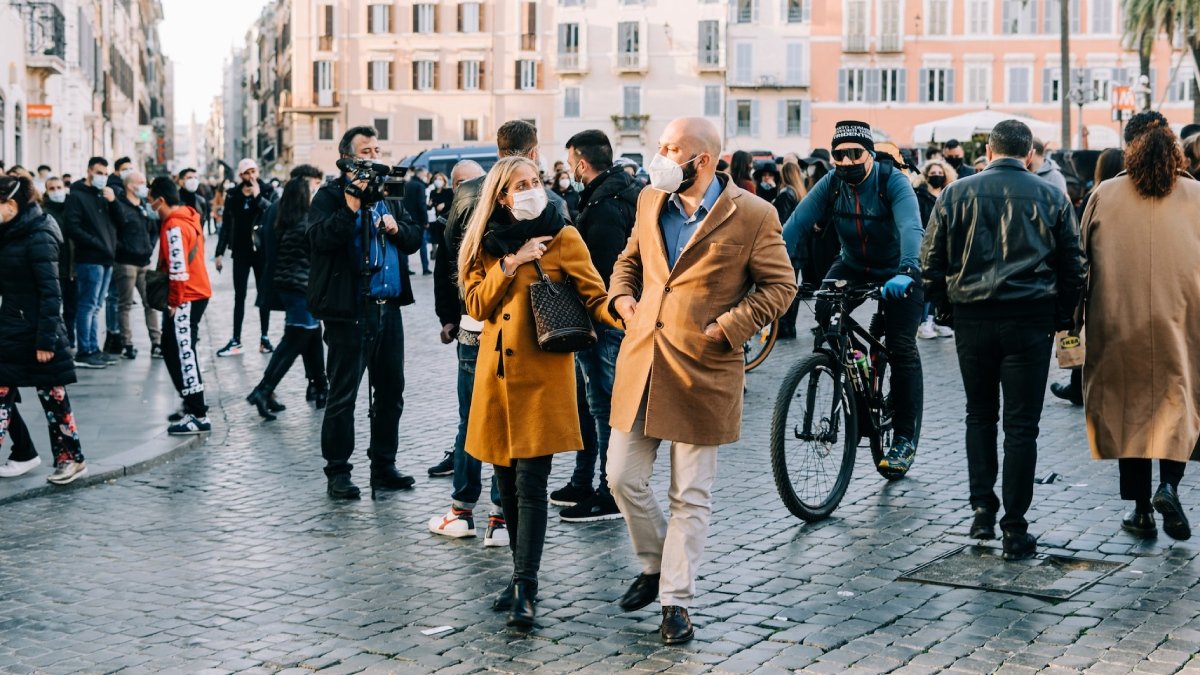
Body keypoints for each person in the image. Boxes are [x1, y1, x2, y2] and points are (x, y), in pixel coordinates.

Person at [607, 117, 796, 645]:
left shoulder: (754, 214)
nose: (660, 156)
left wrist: (727, 328)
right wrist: (622, 299)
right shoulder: (649, 200)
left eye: (671, 148)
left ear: (704, 160)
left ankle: (676, 600)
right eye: (660, 146)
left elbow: (781, 287)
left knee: (689, 494)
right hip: (643, 360)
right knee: (621, 477)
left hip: (704, 369)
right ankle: (654, 564)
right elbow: (629, 261)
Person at [458, 155, 619, 630]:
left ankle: (527, 587)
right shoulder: (483, 244)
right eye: (520, 185)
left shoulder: (564, 236)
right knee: (506, 486)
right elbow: (476, 305)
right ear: (502, 197)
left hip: (543, 380)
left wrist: (627, 313)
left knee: (531, 485)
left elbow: (594, 296)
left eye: (536, 181)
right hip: (495, 381)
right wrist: (512, 262)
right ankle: (515, 577)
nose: (532, 190)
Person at [921, 119, 1083, 561]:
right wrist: (1063, 316)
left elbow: (931, 260)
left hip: (973, 317)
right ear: (1028, 154)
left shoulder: (956, 193)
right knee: (1021, 426)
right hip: (1030, 320)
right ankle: (1015, 526)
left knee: (979, 414)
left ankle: (981, 509)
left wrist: (945, 307)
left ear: (989, 152)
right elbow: (1074, 265)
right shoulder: (1052, 194)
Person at [428, 122, 572, 542]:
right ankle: (497, 518)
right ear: (533, 151)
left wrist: (447, 315)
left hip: (478, 330)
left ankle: (462, 508)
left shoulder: (468, 194)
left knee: (475, 421)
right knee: (500, 425)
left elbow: (446, 258)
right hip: (520, 330)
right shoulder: (551, 203)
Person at [1078, 112, 1199, 541]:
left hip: (1117, 320)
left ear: (1129, 147)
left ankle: (1140, 511)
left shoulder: (1105, 194)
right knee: (1177, 402)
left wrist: (1072, 325)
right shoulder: (1196, 195)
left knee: (1128, 409)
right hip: (1182, 320)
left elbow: (1081, 262)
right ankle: (1169, 486)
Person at [782, 120, 926, 479]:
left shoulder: (893, 182)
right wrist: (772, 266)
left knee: (901, 345)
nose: (846, 162)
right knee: (826, 315)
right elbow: (796, 225)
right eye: (838, 155)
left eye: (854, 154)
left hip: (897, 269)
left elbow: (911, 227)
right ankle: (851, 362)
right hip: (852, 264)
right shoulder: (831, 184)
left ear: (871, 154)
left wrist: (908, 270)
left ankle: (904, 437)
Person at [308, 125, 423, 500]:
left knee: (391, 391)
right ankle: (338, 472)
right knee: (343, 395)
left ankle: (384, 465)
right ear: (346, 158)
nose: (373, 157)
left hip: (388, 307)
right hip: (349, 310)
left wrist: (395, 226)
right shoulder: (328, 195)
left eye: (376, 150)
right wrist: (351, 205)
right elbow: (319, 240)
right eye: (365, 151)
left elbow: (412, 237)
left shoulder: (390, 193)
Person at [552, 129, 642, 522]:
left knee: (601, 404)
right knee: (587, 403)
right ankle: (583, 479)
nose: (570, 169)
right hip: (604, 319)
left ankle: (608, 490)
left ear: (582, 164)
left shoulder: (606, 205)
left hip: (603, 319)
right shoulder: (622, 192)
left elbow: (602, 273)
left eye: (571, 162)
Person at [0, 176, 88, 484]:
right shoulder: (8, 231)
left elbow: (51, 293)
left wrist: (46, 341)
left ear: (11, 205)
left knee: (53, 396)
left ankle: (72, 460)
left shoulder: (39, 233)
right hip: (10, 328)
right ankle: (28, 453)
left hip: (39, 331)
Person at [247, 167, 327, 420]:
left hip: (290, 286)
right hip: (300, 287)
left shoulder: (285, 217)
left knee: (312, 332)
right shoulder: (304, 221)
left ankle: (319, 385)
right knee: (295, 338)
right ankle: (264, 389)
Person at [1050, 148, 1124, 406]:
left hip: (1096, 277)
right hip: (1122, 277)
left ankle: (1077, 384)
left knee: (1082, 329)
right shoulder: (1132, 198)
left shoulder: (1097, 197)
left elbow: (1079, 241)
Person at [148, 178, 215, 435]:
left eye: (150, 198)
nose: (149, 204)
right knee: (172, 347)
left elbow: (178, 268)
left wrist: (174, 301)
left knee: (183, 351)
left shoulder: (175, 225)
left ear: (160, 200)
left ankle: (197, 412)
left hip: (187, 296)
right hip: (193, 293)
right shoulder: (188, 217)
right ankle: (191, 402)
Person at [214, 158, 277, 356]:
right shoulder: (233, 195)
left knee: (263, 295)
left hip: (261, 252)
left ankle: (264, 338)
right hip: (240, 252)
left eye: (254, 172)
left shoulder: (267, 190)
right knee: (239, 296)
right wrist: (219, 252)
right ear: (241, 176)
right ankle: (236, 339)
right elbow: (226, 225)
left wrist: (258, 197)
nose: (251, 176)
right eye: (247, 173)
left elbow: (274, 214)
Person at [62, 157, 119, 369]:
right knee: (87, 305)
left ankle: (94, 348)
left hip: (106, 258)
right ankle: (85, 350)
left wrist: (113, 202)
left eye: (105, 173)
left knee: (96, 306)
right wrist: (97, 243)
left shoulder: (103, 196)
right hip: (89, 259)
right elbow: (72, 228)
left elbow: (120, 222)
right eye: (99, 172)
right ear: (89, 172)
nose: (102, 177)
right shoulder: (77, 197)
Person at [110, 171, 161, 359]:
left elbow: (154, 230)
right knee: (124, 305)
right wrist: (123, 249)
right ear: (130, 185)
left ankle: (156, 342)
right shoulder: (120, 206)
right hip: (126, 262)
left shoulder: (144, 206)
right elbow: (114, 231)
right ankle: (127, 343)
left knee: (151, 303)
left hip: (144, 261)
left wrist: (149, 247)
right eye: (141, 182)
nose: (145, 186)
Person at [914, 159, 958, 340]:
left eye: (940, 173)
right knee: (927, 282)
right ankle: (923, 322)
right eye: (932, 174)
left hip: (945, 244)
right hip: (925, 243)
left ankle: (937, 320)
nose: (937, 176)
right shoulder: (919, 195)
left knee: (942, 283)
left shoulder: (949, 194)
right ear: (925, 176)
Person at [772, 162, 808, 340]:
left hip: (789, 248)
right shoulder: (800, 194)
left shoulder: (786, 195)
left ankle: (784, 326)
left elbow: (781, 223)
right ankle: (789, 326)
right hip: (800, 249)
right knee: (791, 288)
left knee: (784, 288)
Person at [41, 177, 75, 349]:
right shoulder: (44, 213)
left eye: (59, 187)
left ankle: (70, 339)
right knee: (55, 309)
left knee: (72, 309)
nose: (56, 191)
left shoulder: (72, 209)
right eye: (52, 188)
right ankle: (60, 340)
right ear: (46, 191)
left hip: (72, 268)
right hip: (56, 268)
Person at [403, 168, 433, 275]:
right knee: (422, 244)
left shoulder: (407, 184)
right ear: (421, 175)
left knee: (405, 243)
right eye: (425, 175)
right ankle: (425, 268)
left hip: (406, 218)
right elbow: (421, 205)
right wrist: (425, 220)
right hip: (418, 220)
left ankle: (405, 268)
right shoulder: (420, 186)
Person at [178, 168, 211, 233]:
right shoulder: (175, 199)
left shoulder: (201, 201)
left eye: (196, 178)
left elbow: (202, 223)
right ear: (181, 181)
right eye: (189, 178)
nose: (193, 180)